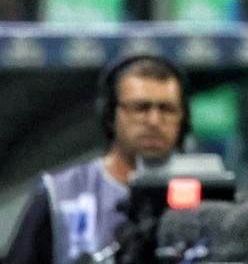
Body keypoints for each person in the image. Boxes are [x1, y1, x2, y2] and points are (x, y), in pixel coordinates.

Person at [6, 54, 191, 264]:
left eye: (167, 109)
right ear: (110, 113)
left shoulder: (207, 192)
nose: (154, 121)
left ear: (183, 118)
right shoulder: (61, 193)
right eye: (141, 108)